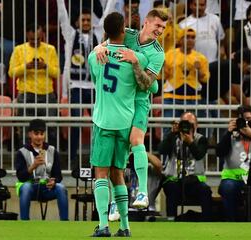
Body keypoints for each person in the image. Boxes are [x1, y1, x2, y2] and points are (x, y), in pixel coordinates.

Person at [94, 8, 168, 210]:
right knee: (118, 157)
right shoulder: (128, 35)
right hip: (120, 99)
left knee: (136, 140)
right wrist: (99, 47)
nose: (160, 30)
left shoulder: (158, 53)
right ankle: (116, 203)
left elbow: (147, 85)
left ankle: (143, 192)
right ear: (147, 22)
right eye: (157, 25)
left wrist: (136, 63)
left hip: (139, 101)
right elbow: (109, 39)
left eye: (163, 27)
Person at [88, 12, 151, 237]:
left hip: (104, 121)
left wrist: (99, 47)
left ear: (105, 32)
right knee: (119, 174)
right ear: (124, 30)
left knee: (102, 174)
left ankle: (104, 225)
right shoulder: (138, 58)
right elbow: (148, 86)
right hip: (126, 123)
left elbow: (96, 79)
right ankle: (125, 226)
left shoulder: (95, 56)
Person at [57, 0, 113, 169]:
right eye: (83, 20)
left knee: (100, 122)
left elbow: (108, 13)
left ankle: (99, 156)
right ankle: (73, 157)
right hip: (76, 86)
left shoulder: (99, 35)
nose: (87, 22)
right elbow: (62, 17)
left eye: (89, 20)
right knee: (75, 121)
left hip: (95, 86)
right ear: (77, 22)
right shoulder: (70, 34)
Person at [8, 23, 60, 147]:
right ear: (27, 35)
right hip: (26, 93)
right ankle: (25, 161)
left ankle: (49, 160)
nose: (35, 42)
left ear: (42, 34)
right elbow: (11, 72)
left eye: (38, 39)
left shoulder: (50, 49)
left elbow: (57, 73)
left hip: (47, 94)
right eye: (32, 39)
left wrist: (45, 67)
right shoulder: (19, 49)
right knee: (24, 130)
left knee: (50, 130)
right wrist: (26, 66)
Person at [158, 111, 212, 221]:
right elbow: (161, 150)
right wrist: (172, 133)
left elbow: (198, 155)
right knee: (171, 188)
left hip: (195, 180)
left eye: (191, 124)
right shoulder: (173, 137)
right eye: (185, 123)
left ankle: (207, 221)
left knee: (205, 190)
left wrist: (190, 142)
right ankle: (171, 219)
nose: (188, 127)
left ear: (196, 125)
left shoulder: (201, 139)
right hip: (175, 180)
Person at [15, 119, 68, 221]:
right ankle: (24, 222)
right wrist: (33, 166)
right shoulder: (22, 152)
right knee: (26, 187)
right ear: (30, 134)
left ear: (45, 134)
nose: (39, 137)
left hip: (47, 188)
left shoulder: (52, 151)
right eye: (36, 134)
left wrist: (54, 181)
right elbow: (21, 177)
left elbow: (58, 176)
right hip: (30, 188)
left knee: (61, 188)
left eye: (42, 134)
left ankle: (64, 222)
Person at [163, 27, 210, 121]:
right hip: (171, 98)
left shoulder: (201, 58)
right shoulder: (169, 55)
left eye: (193, 37)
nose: (190, 40)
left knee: (191, 129)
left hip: (193, 99)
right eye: (187, 37)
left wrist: (199, 69)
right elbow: (163, 76)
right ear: (180, 40)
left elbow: (205, 79)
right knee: (169, 129)